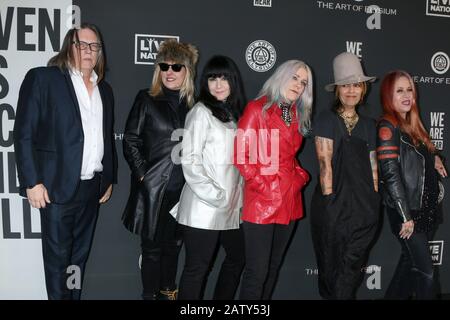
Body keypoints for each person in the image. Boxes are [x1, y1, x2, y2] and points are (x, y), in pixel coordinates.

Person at [13, 23, 117, 300]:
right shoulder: (44, 79)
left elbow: (105, 136)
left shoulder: (103, 89)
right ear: (68, 48)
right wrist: (31, 182)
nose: (88, 51)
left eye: (94, 46)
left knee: (77, 261)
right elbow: (23, 135)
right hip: (56, 187)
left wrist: (107, 177)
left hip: (91, 189)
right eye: (81, 44)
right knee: (58, 263)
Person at [122, 39, 198, 300]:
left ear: (187, 70)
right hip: (154, 191)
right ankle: (149, 296)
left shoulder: (196, 106)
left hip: (185, 191)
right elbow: (131, 140)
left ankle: (169, 293)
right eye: (164, 65)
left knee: (174, 247)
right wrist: (144, 175)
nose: (169, 71)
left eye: (176, 66)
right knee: (152, 250)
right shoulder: (147, 98)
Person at [234, 60, 313, 300]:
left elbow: (287, 156)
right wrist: (264, 186)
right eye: (295, 78)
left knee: (273, 268)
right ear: (282, 76)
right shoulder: (257, 109)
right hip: (261, 203)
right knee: (257, 272)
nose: (298, 85)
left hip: (289, 200)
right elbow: (240, 155)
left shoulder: (297, 114)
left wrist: (300, 176)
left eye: (304, 82)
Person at [170, 55, 246, 300]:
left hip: (232, 208)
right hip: (204, 206)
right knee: (196, 269)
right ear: (205, 82)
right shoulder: (200, 112)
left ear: (233, 81)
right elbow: (190, 161)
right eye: (213, 78)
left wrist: (236, 199)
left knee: (238, 257)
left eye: (224, 77)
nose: (219, 84)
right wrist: (218, 196)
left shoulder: (235, 115)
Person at [310, 52, 380, 299]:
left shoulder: (370, 125)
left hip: (364, 210)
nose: (351, 90)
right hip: (332, 209)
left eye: (356, 85)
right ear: (337, 89)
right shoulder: (326, 119)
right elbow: (324, 164)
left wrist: (373, 201)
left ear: (363, 89)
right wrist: (330, 205)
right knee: (330, 270)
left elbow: (373, 166)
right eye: (345, 85)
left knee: (351, 269)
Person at [377, 70, 447, 299]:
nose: (406, 95)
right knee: (426, 272)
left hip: (424, 210)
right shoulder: (388, 126)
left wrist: (436, 157)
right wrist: (405, 215)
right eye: (400, 90)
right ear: (389, 96)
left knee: (409, 264)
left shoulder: (412, 123)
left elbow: (423, 155)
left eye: (409, 89)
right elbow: (390, 173)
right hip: (407, 212)